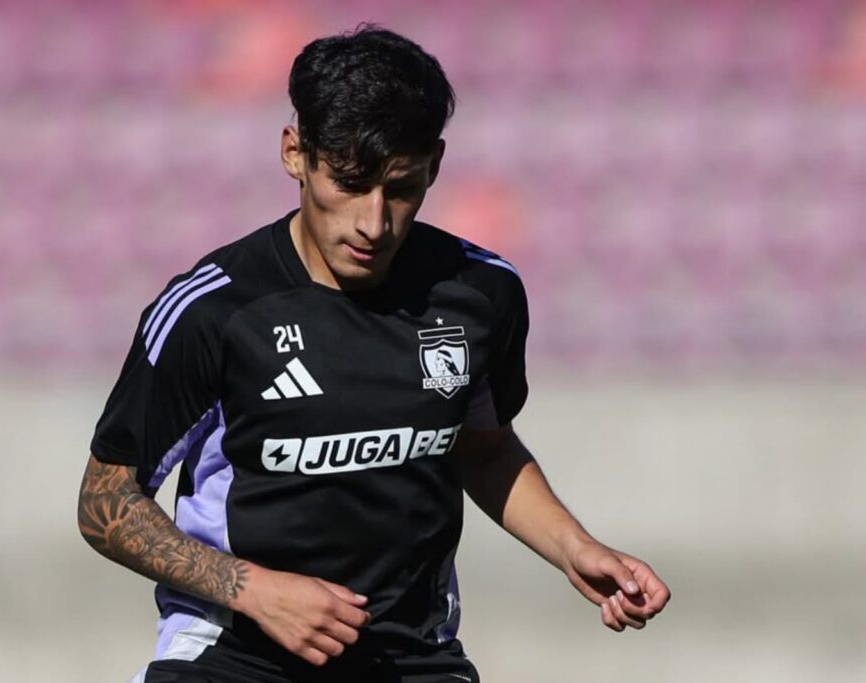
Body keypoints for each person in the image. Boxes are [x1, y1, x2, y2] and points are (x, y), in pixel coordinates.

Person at [77, 25, 670, 683]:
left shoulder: (480, 293)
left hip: (411, 657)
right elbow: (106, 501)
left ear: (434, 167)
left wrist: (574, 547)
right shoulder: (213, 310)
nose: (373, 221)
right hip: (232, 653)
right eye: (350, 183)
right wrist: (254, 589)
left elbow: (484, 446)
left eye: (401, 188)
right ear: (294, 153)